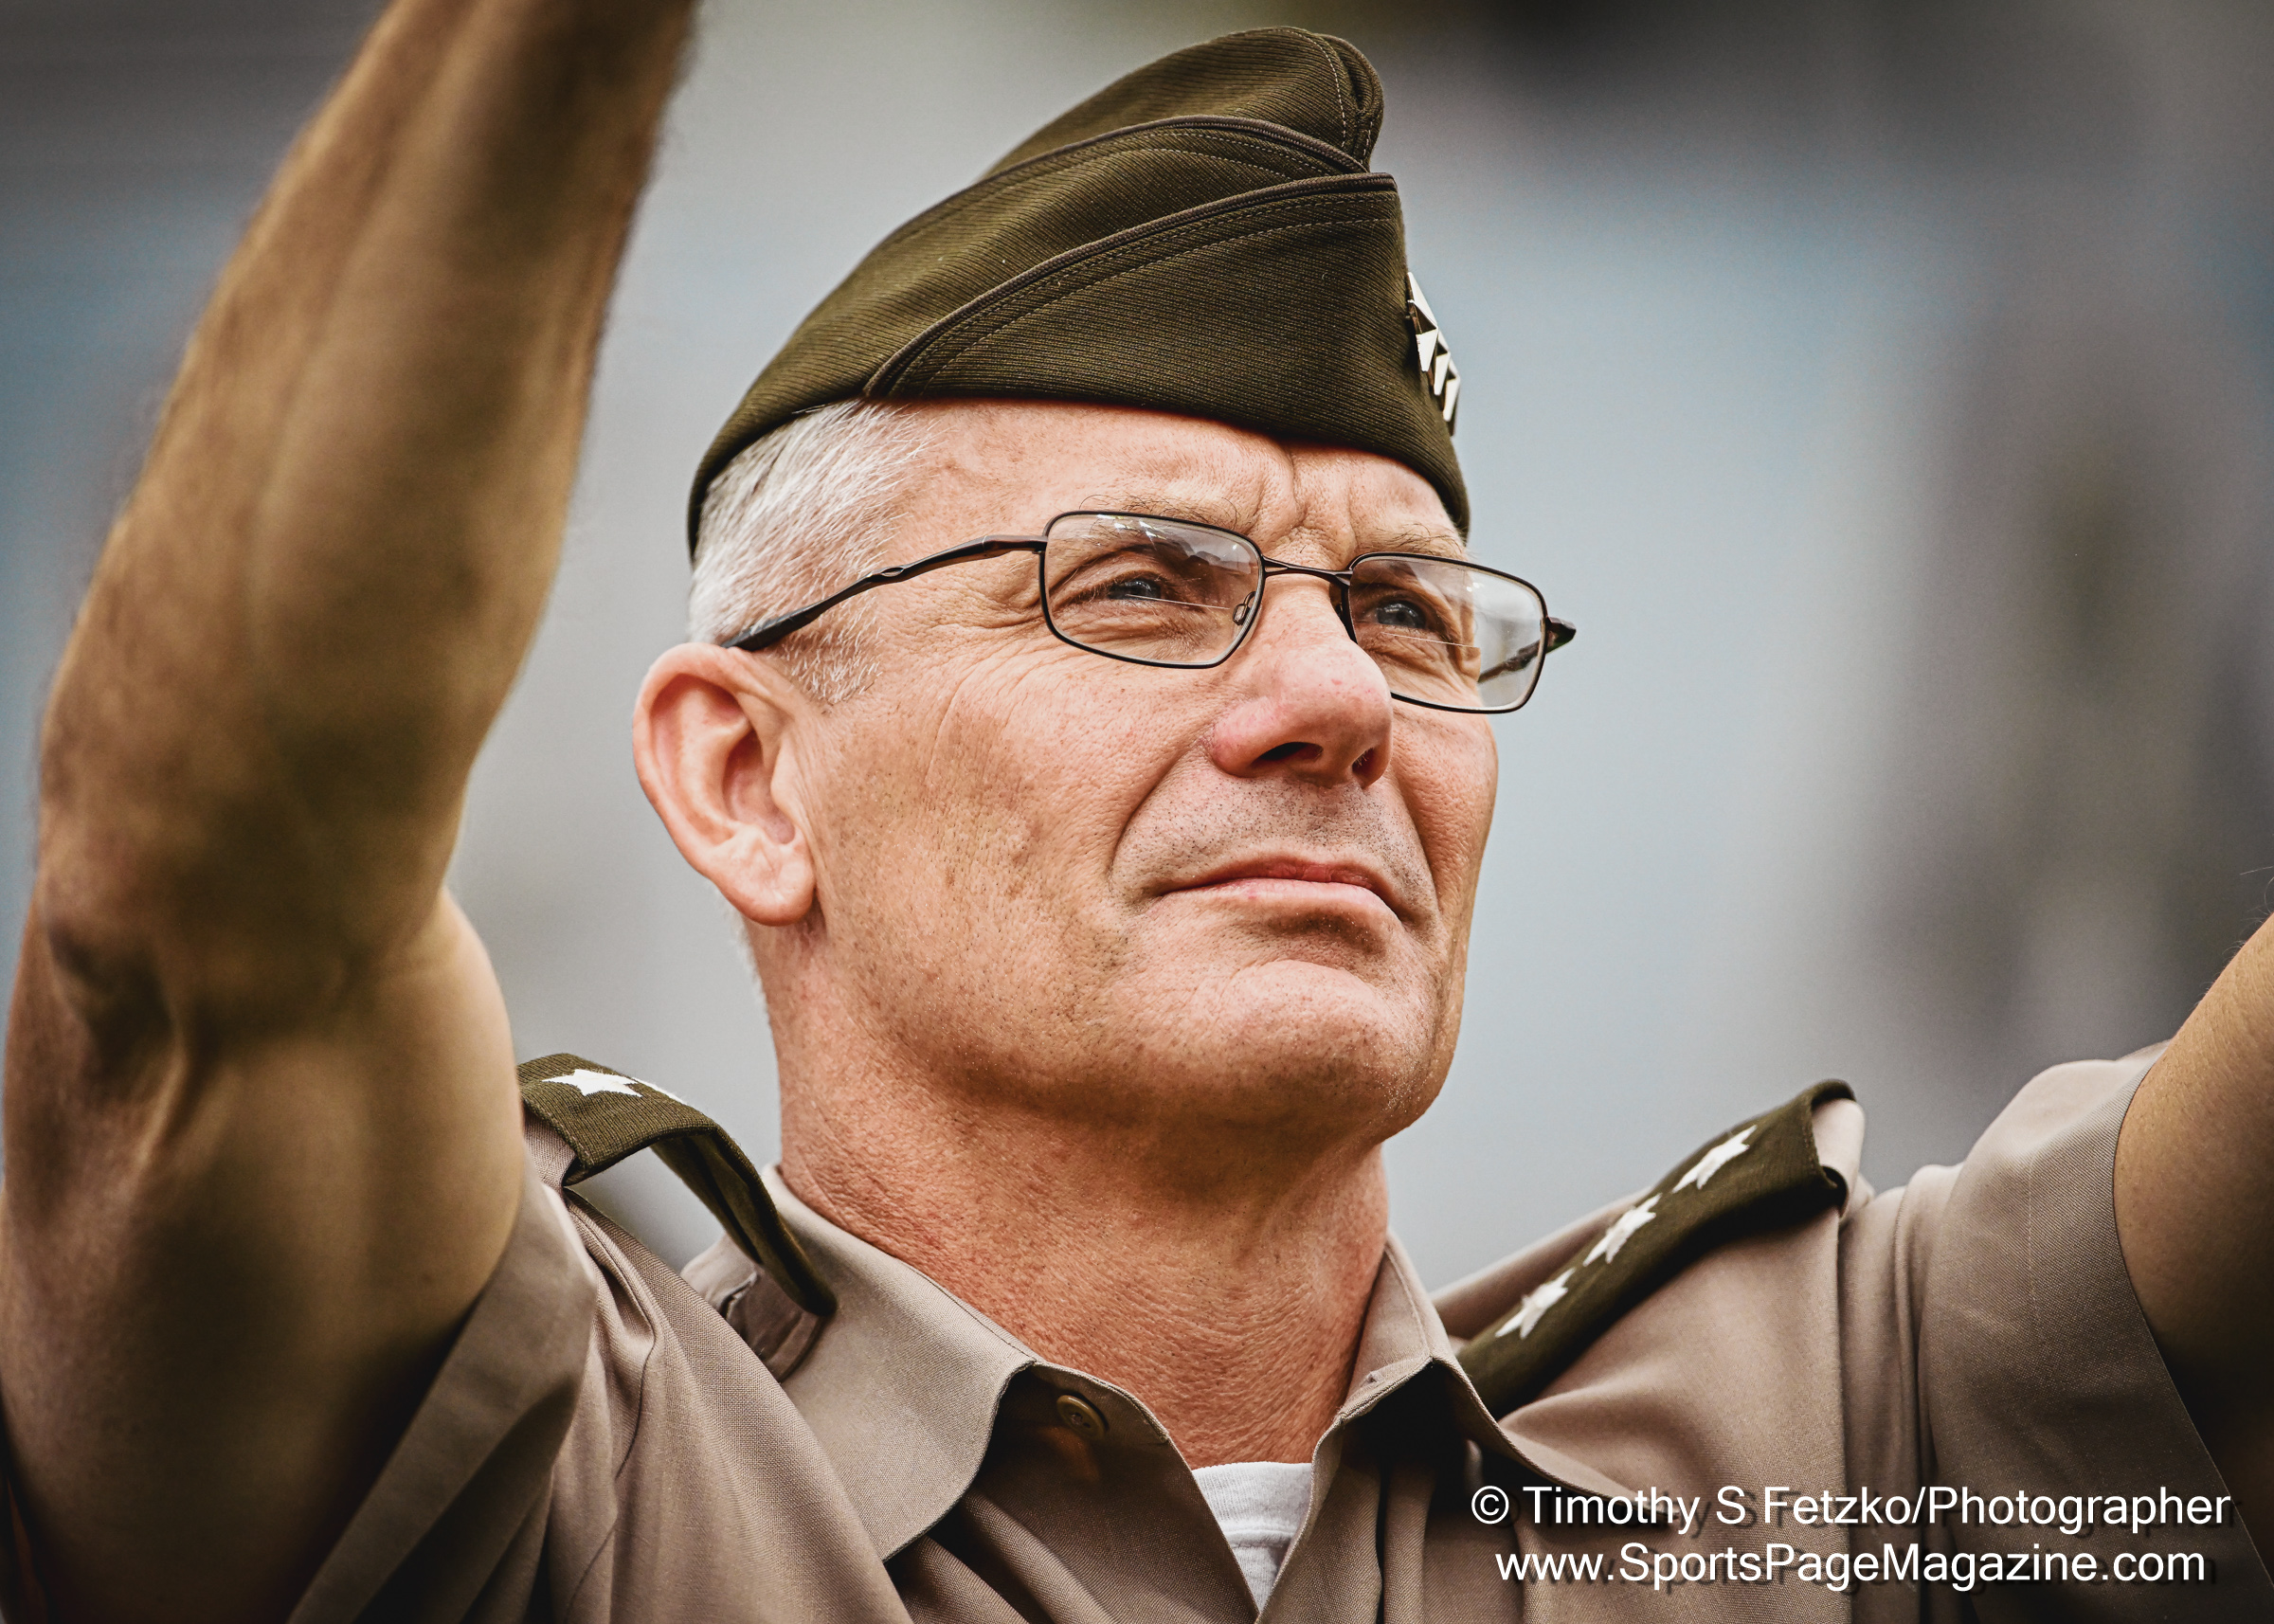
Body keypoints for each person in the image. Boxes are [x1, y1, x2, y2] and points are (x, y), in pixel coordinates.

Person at [0, 1, 2266, 1619]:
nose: (1338, 699)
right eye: (1138, 589)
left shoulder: (1851, 1442)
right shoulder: (550, 1491)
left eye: (1407, 608)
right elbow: (208, 920)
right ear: (745, 773)